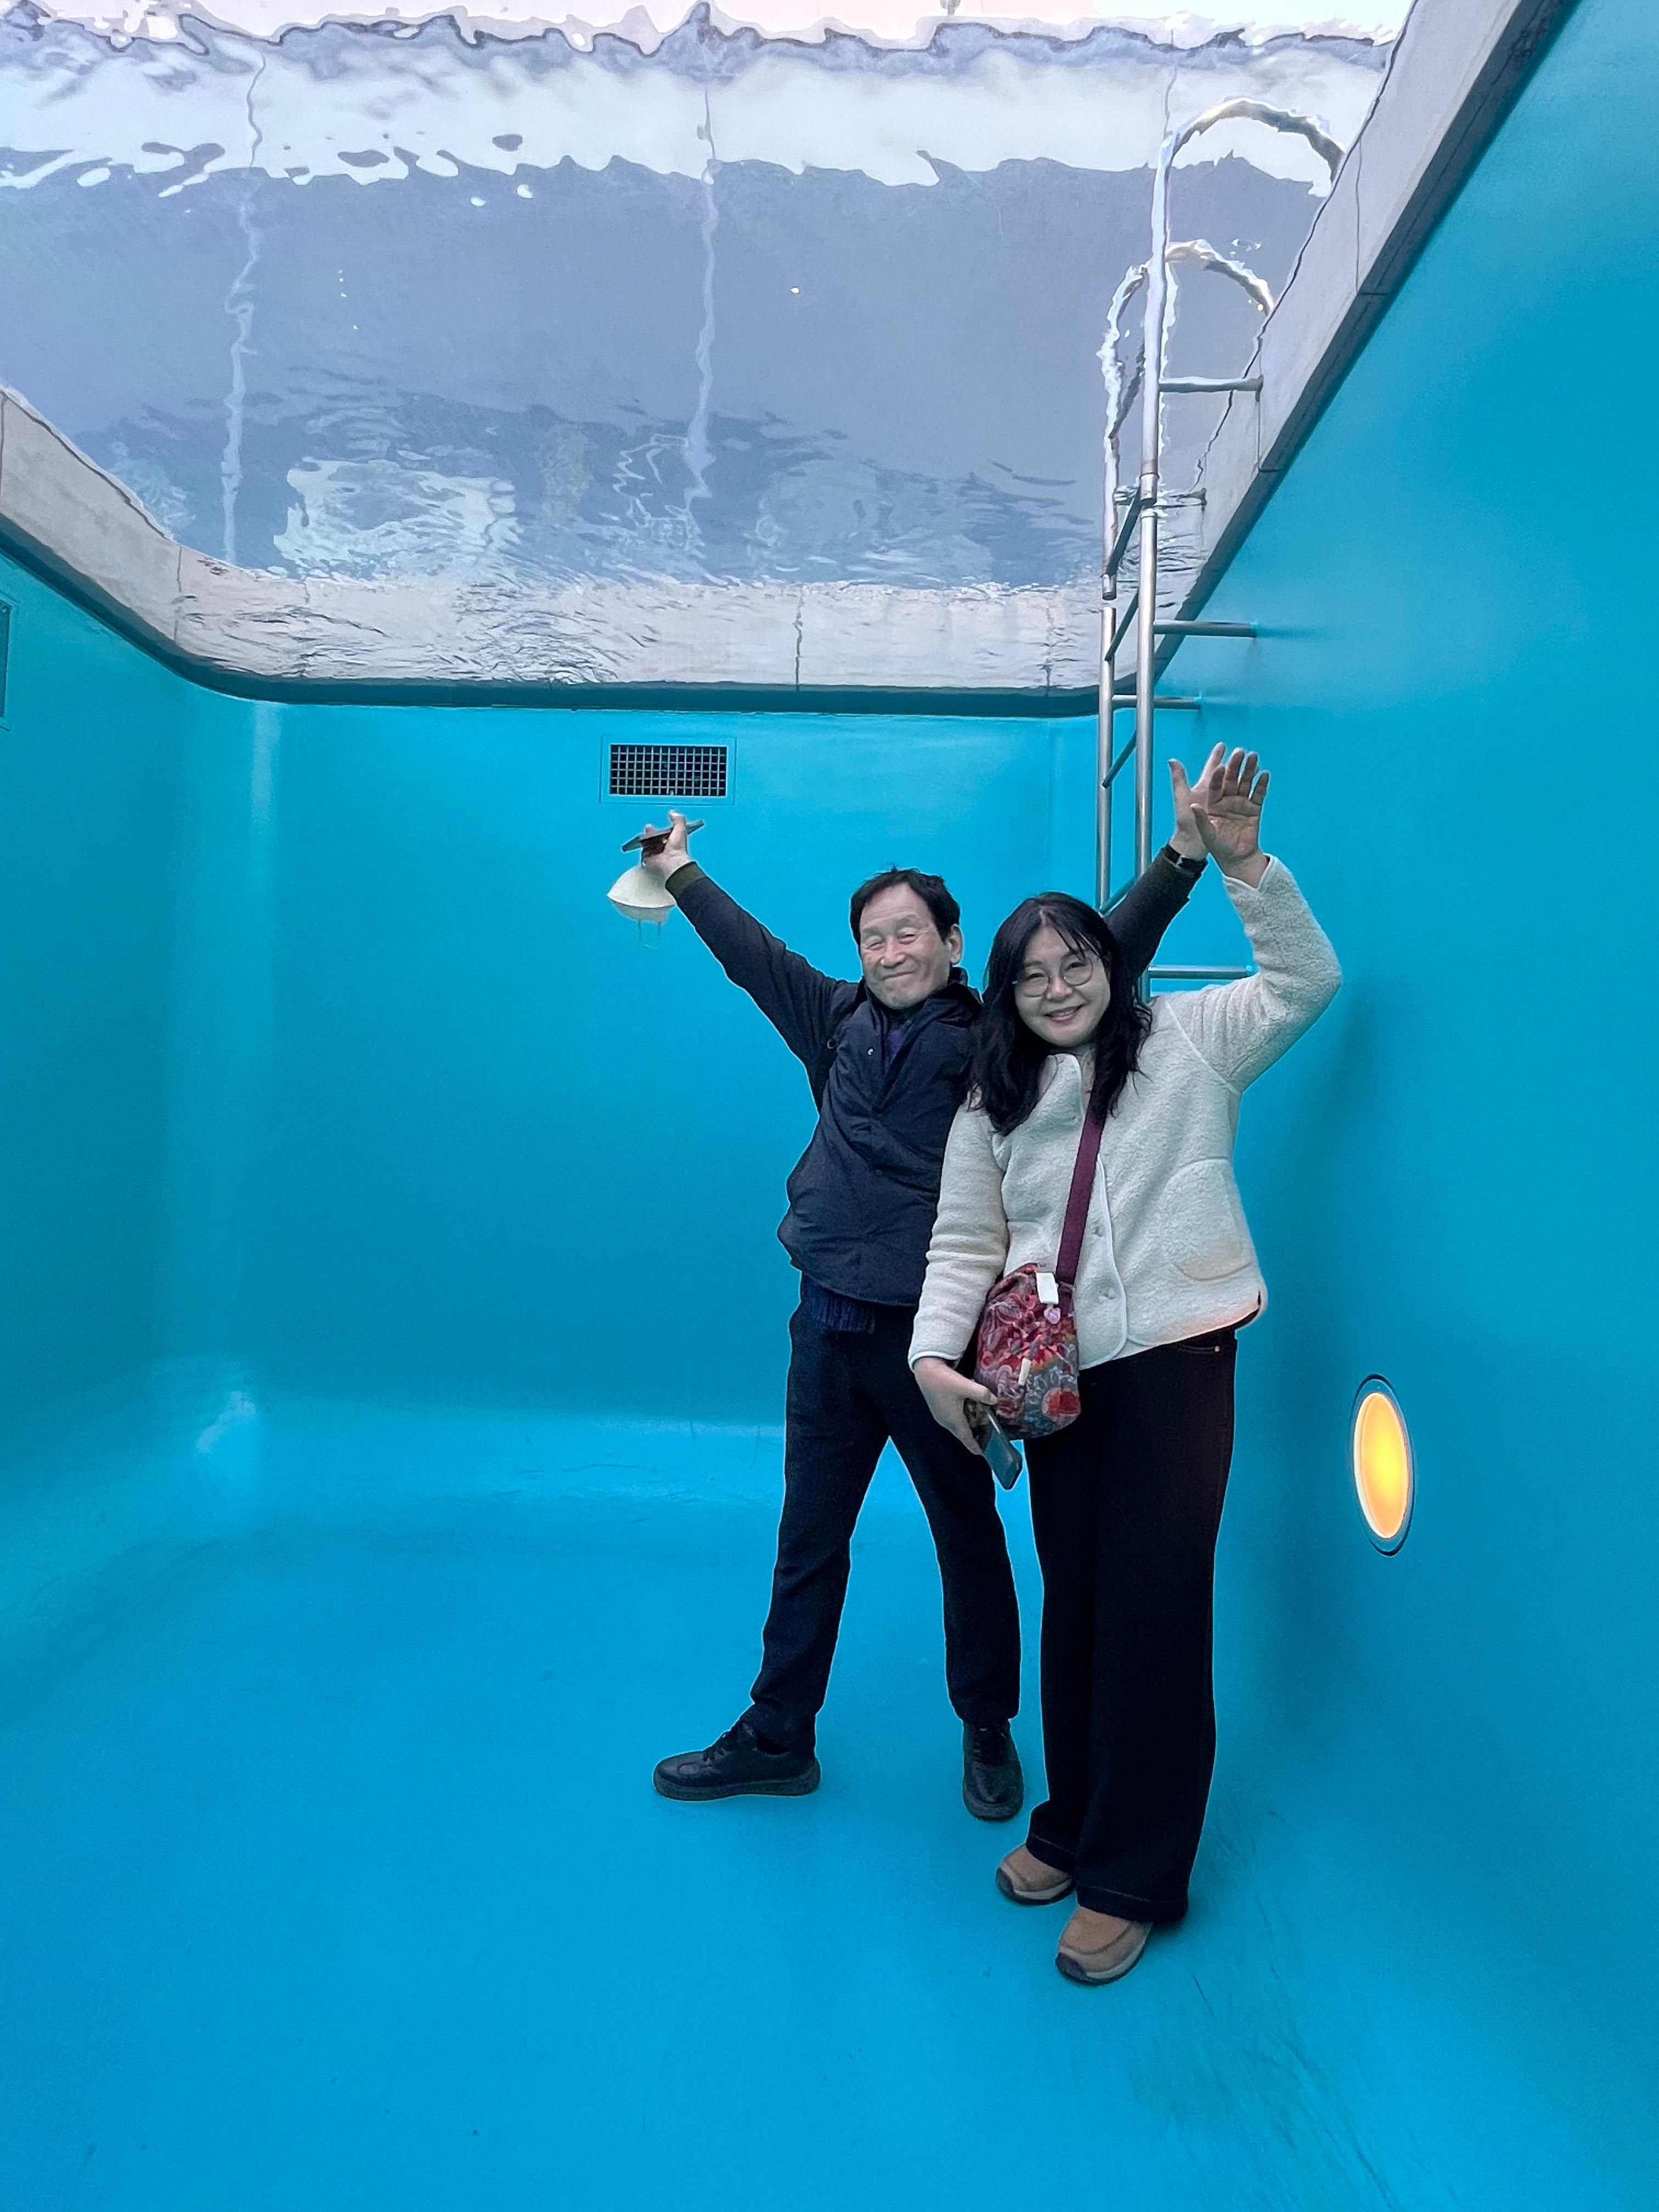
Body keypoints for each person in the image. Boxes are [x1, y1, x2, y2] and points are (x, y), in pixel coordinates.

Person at [638, 772, 1217, 1817]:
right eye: (872, 938)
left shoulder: (997, 1036)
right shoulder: (831, 1020)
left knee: (966, 1536)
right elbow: (748, 952)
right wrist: (679, 870)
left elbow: (1101, 954)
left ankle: (987, 1724)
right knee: (807, 1538)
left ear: (951, 943)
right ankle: (778, 1734)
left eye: (908, 933)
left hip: (931, 1349)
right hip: (825, 1329)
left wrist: (1180, 861)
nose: (889, 952)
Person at [910, 748, 1340, 1981]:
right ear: (1005, 993)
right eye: (1032, 974)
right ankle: (1072, 1821)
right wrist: (934, 1355)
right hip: (1056, 1381)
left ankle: (1135, 1873)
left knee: (1154, 1613)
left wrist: (1244, 865)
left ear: (1112, 964)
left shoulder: (1195, 1041)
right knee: (1081, 1606)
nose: (1058, 988)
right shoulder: (992, 1101)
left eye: (1078, 963)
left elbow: (1307, 981)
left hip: (1175, 1367)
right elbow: (963, 1241)